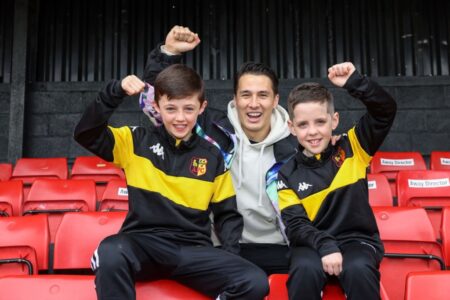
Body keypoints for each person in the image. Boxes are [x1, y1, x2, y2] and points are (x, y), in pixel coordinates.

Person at [74, 64, 269, 300]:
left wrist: (229, 259)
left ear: (201, 108)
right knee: (110, 251)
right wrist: (115, 91)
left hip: (193, 250)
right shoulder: (135, 142)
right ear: (156, 107)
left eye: (188, 109)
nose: (180, 118)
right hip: (144, 245)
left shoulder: (213, 156)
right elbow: (86, 133)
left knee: (255, 281)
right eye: (171, 108)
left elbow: (226, 216)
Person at [142, 25, 299, 275]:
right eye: (245, 95)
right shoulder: (213, 131)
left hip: (281, 247)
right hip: (223, 247)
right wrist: (167, 54)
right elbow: (157, 105)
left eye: (263, 95)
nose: (254, 104)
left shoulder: (297, 144)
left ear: (276, 100)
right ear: (235, 99)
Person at [275, 62, 396, 299]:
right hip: (311, 245)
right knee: (304, 269)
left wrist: (355, 82)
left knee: (359, 269)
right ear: (291, 128)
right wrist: (326, 246)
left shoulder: (354, 146)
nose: (312, 132)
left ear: (334, 120)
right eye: (303, 124)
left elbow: (386, 110)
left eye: (320, 122)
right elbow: (297, 226)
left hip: (357, 242)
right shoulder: (287, 173)